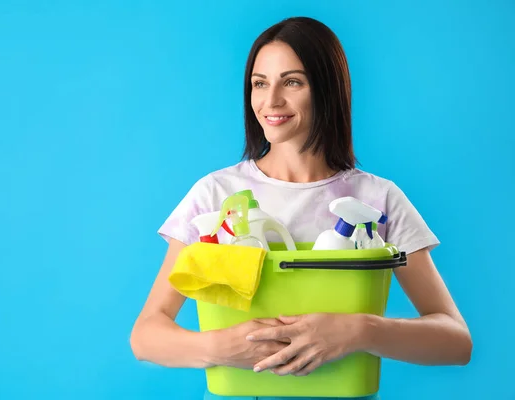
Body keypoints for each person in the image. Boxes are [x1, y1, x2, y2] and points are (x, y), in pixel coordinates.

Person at [130, 16, 472, 400]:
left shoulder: (377, 200)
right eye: (259, 83)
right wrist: (221, 348)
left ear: (326, 89)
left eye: (292, 82)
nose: (270, 101)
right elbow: (146, 335)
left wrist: (359, 330)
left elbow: (456, 341)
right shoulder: (216, 195)